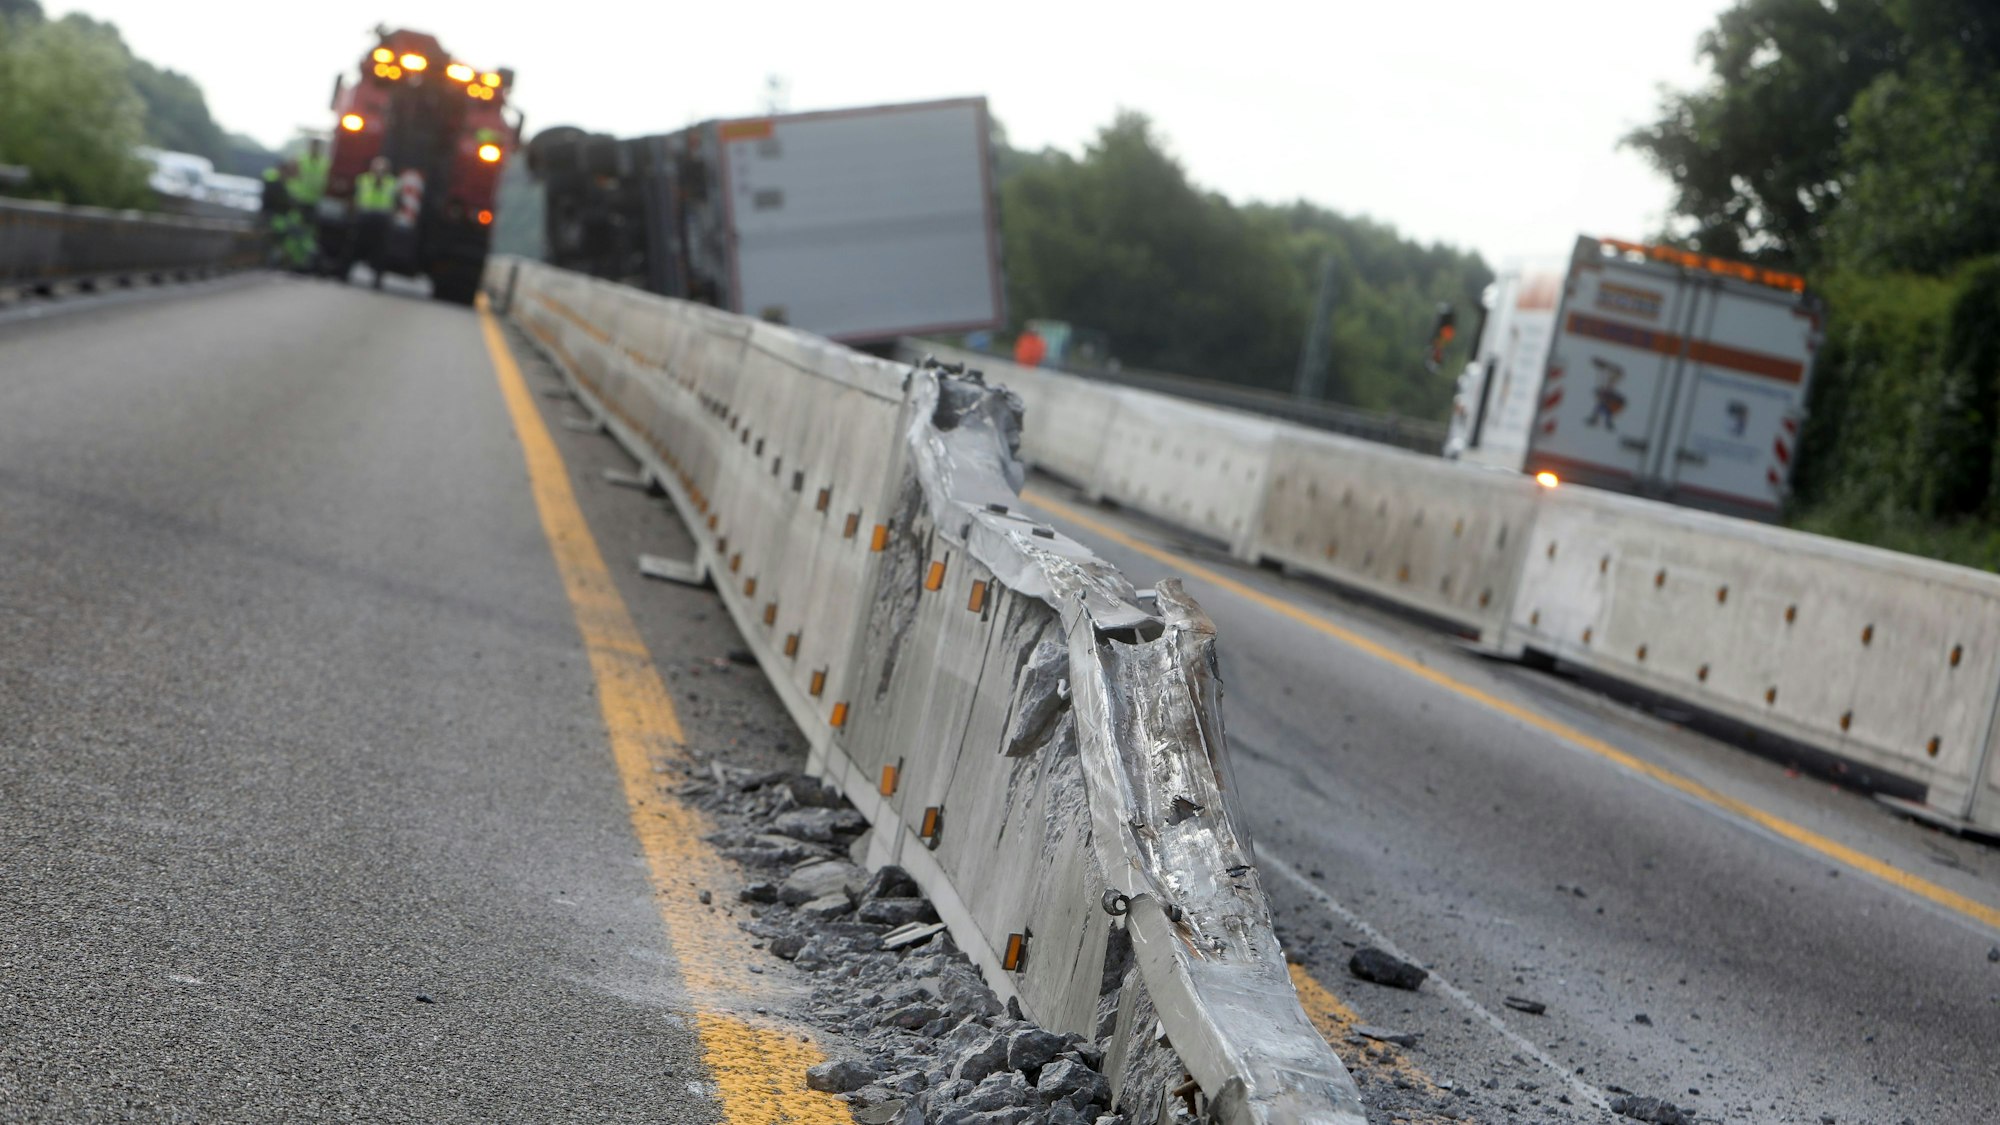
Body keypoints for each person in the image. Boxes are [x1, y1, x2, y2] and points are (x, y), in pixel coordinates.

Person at [343, 156, 398, 287]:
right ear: (371, 168)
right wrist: (351, 214)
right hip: (364, 218)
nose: (379, 171)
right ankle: (344, 273)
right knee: (353, 247)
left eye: (382, 168)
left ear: (387, 170)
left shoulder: (392, 183)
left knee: (380, 252)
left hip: (381, 221)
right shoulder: (363, 180)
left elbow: (396, 202)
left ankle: (377, 280)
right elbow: (353, 196)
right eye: (377, 168)